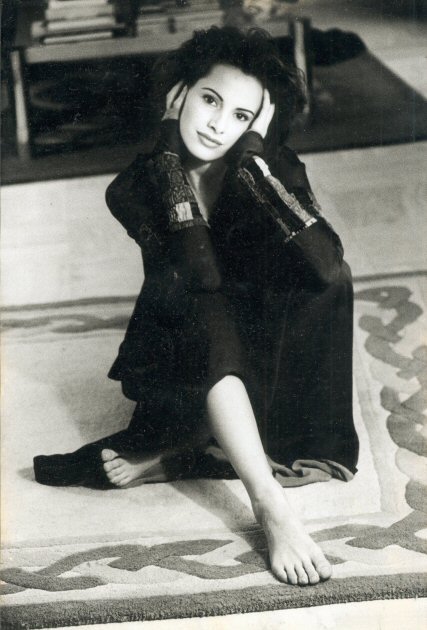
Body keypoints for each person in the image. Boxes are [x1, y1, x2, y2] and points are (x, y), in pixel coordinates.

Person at [34, 26, 359, 586]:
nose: (217, 124)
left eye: (240, 116)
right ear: (179, 95)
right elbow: (201, 276)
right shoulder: (136, 185)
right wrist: (169, 161)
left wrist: (253, 165)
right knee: (205, 306)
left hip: (267, 356)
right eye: (210, 100)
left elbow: (328, 269)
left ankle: (188, 452)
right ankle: (268, 503)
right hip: (188, 350)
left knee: (327, 282)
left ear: (256, 126)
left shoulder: (271, 166)